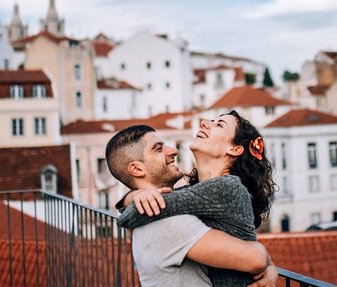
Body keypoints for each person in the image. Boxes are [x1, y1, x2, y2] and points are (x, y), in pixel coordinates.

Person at [115, 111, 277, 287]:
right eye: (212, 121)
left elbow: (145, 210)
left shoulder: (227, 187)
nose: (206, 123)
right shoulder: (202, 190)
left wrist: (130, 199)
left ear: (235, 149)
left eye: (219, 125)